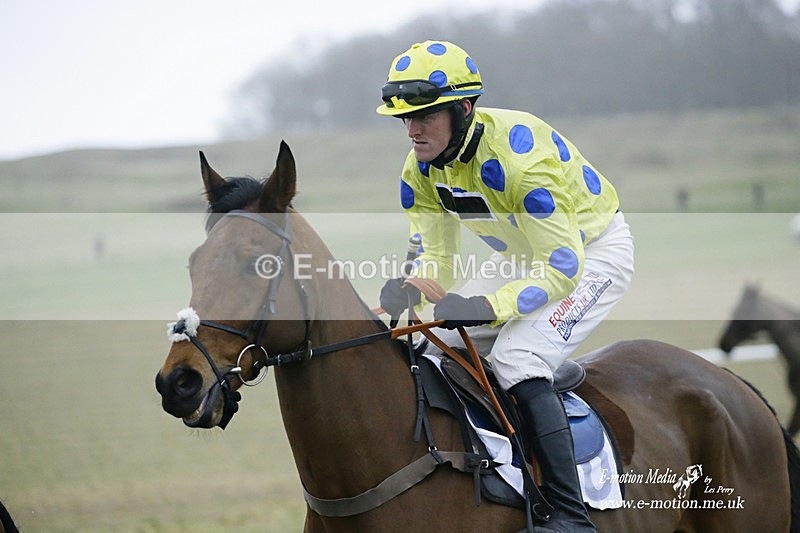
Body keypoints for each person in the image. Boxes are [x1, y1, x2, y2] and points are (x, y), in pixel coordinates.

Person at [377, 40, 634, 533]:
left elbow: (562, 267)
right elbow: (440, 258)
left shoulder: (522, 163)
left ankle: (568, 514)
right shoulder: (419, 170)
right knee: (431, 348)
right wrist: (411, 287)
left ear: (463, 109)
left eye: (425, 116)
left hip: (592, 253)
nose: (412, 130)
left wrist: (485, 306)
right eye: (405, 118)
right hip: (521, 256)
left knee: (518, 358)